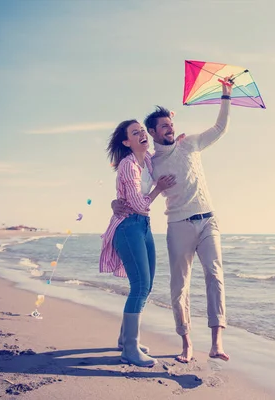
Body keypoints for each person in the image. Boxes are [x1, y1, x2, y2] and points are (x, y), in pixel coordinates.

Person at [114, 76, 233, 363]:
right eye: (164, 126)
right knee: (179, 286)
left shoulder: (190, 144)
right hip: (178, 225)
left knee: (215, 275)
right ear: (152, 132)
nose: (171, 129)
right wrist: (115, 201)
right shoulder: (151, 161)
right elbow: (136, 183)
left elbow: (219, 128)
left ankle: (217, 343)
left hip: (208, 220)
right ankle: (186, 343)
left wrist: (225, 96)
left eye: (172, 124)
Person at [99, 119, 176, 367]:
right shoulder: (128, 165)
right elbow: (139, 204)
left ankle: (125, 340)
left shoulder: (148, 160)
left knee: (147, 285)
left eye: (142, 130)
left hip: (144, 226)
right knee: (140, 286)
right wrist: (158, 189)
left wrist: (175, 134)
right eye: (135, 133)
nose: (142, 134)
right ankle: (130, 350)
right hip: (128, 226)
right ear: (126, 142)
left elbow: (166, 149)